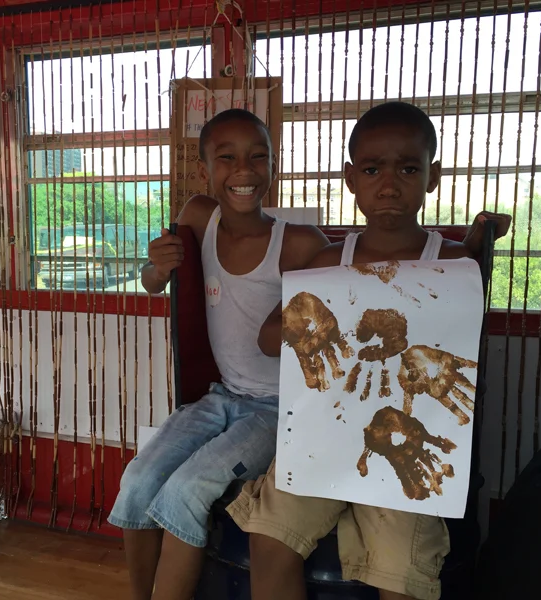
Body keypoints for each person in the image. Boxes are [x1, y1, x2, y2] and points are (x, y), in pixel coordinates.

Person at [227, 101, 511, 600]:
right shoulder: (328, 262)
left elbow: (461, 360)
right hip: (323, 442)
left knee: (402, 572)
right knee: (269, 539)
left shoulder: (451, 265)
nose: (388, 184)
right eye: (372, 169)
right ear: (350, 178)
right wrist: (309, 326)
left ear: (432, 176)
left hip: (407, 445)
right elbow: (268, 339)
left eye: (407, 169)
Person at [108, 108, 329, 600]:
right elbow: (151, 284)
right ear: (205, 169)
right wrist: (154, 266)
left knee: (187, 491)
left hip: (278, 410)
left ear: (274, 165)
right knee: (138, 480)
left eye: (257, 157)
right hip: (220, 397)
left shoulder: (298, 243)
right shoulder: (197, 216)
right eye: (226, 158)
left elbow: (358, 290)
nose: (243, 171)